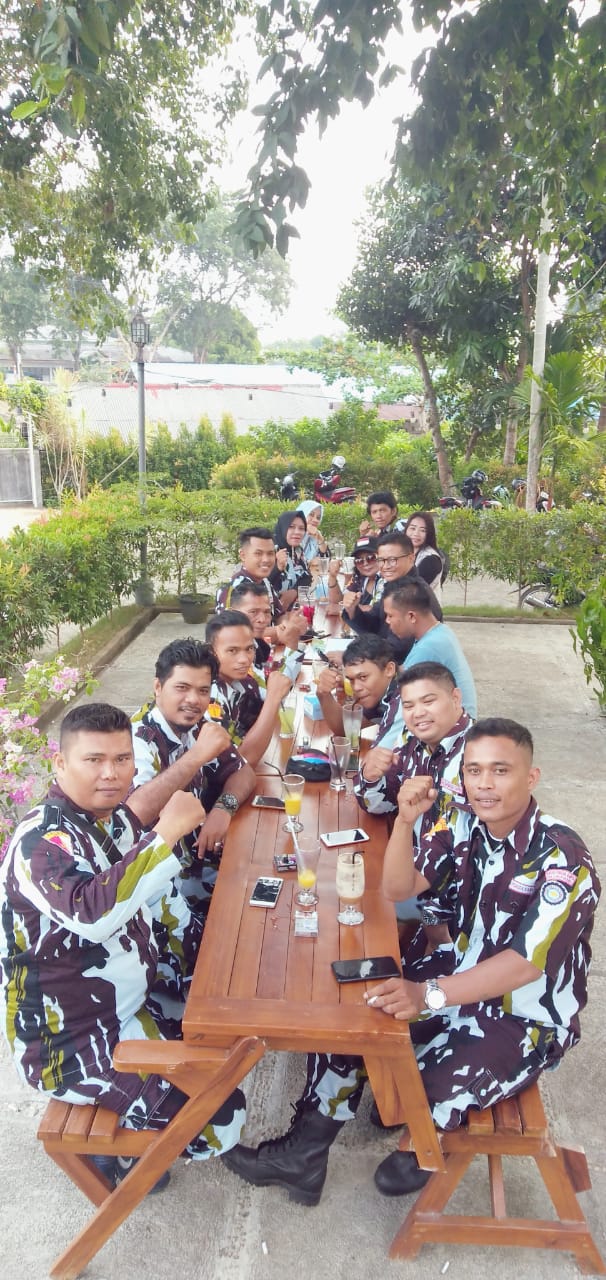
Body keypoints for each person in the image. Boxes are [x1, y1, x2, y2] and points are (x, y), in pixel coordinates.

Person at [222, 718, 600, 1204]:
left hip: (525, 1016)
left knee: (405, 1095)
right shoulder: (463, 823)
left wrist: (427, 995)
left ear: (531, 777)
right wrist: (403, 821)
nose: (484, 784)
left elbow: (524, 965)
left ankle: (424, 1115)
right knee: (354, 1017)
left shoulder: (562, 858)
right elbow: (398, 887)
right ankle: (303, 1157)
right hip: (459, 971)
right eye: (474, 770)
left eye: (500, 770)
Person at [0, 703, 246, 1188]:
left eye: (122, 759)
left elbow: (151, 888)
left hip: (129, 1006)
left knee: (228, 1034)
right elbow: (93, 914)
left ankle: (138, 1120)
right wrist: (167, 832)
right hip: (70, 1044)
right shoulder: (39, 841)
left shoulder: (108, 822)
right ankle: (115, 1156)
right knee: (221, 1119)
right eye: (94, 760)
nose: (111, 774)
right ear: (60, 764)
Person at [131, 637, 256, 915]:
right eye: (182, 688)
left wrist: (224, 809)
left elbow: (244, 772)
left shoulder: (198, 726)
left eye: (202, 690)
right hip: (158, 892)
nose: (193, 700)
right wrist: (197, 756)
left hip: (200, 866)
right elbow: (135, 812)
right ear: (157, 687)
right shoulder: (137, 740)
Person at [205, 610, 291, 766]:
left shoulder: (246, 677)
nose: (244, 659)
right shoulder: (209, 697)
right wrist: (273, 698)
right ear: (211, 652)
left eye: (249, 649)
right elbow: (241, 761)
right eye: (232, 651)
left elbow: (280, 689)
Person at [383, 580, 477, 716]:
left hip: (455, 723)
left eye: (390, 615)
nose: (387, 621)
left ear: (411, 616)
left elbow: (400, 697)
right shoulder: (441, 631)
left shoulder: (429, 646)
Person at [348, 532, 442, 663]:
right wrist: (352, 610)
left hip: (413, 669)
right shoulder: (395, 585)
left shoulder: (411, 593)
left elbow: (397, 651)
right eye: (381, 560)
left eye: (392, 560)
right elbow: (373, 623)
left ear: (411, 558)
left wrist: (354, 657)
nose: (385, 566)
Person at [314, 634, 399, 741]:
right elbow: (345, 728)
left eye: (363, 677)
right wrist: (323, 694)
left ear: (389, 670)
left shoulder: (402, 701)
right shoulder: (381, 693)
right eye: (351, 679)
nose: (356, 688)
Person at [230, 581, 306, 685]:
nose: (262, 619)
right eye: (253, 612)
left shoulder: (257, 644)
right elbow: (276, 689)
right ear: (232, 613)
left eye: (267, 612)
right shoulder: (232, 652)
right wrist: (291, 646)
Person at [215, 526, 285, 630]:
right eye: (258, 553)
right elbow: (234, 633)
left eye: (270, 553)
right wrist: (279, 632)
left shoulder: (265, 582)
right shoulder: (233, 589)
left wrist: (289, 626)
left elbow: (280, 615)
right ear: (243, 555)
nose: (266, 559)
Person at [326, 536, 382, 623]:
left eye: (371, 558)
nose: (365, 563)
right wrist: (332, 576)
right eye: (359, 560)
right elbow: (340, 601)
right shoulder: (360, 577)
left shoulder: (386, 579)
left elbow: (377, 610)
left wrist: (342, 609)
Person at [270, 510, 313, 608]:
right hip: (268, 610)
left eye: (301, 528)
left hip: (291, 609)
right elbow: (259, 583)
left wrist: (294, 592)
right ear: (283, 527)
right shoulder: (270, 550)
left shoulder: (297, 550)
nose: (297, 532)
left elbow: (307, 578)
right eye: (291, 527)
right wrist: (277, 568)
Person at [403, 511, 445, 594]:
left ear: (429, 533)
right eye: (412, 528)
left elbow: (412, 590)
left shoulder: (431, 559)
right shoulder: (404, 552)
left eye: (422, 530)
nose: (416, 534)